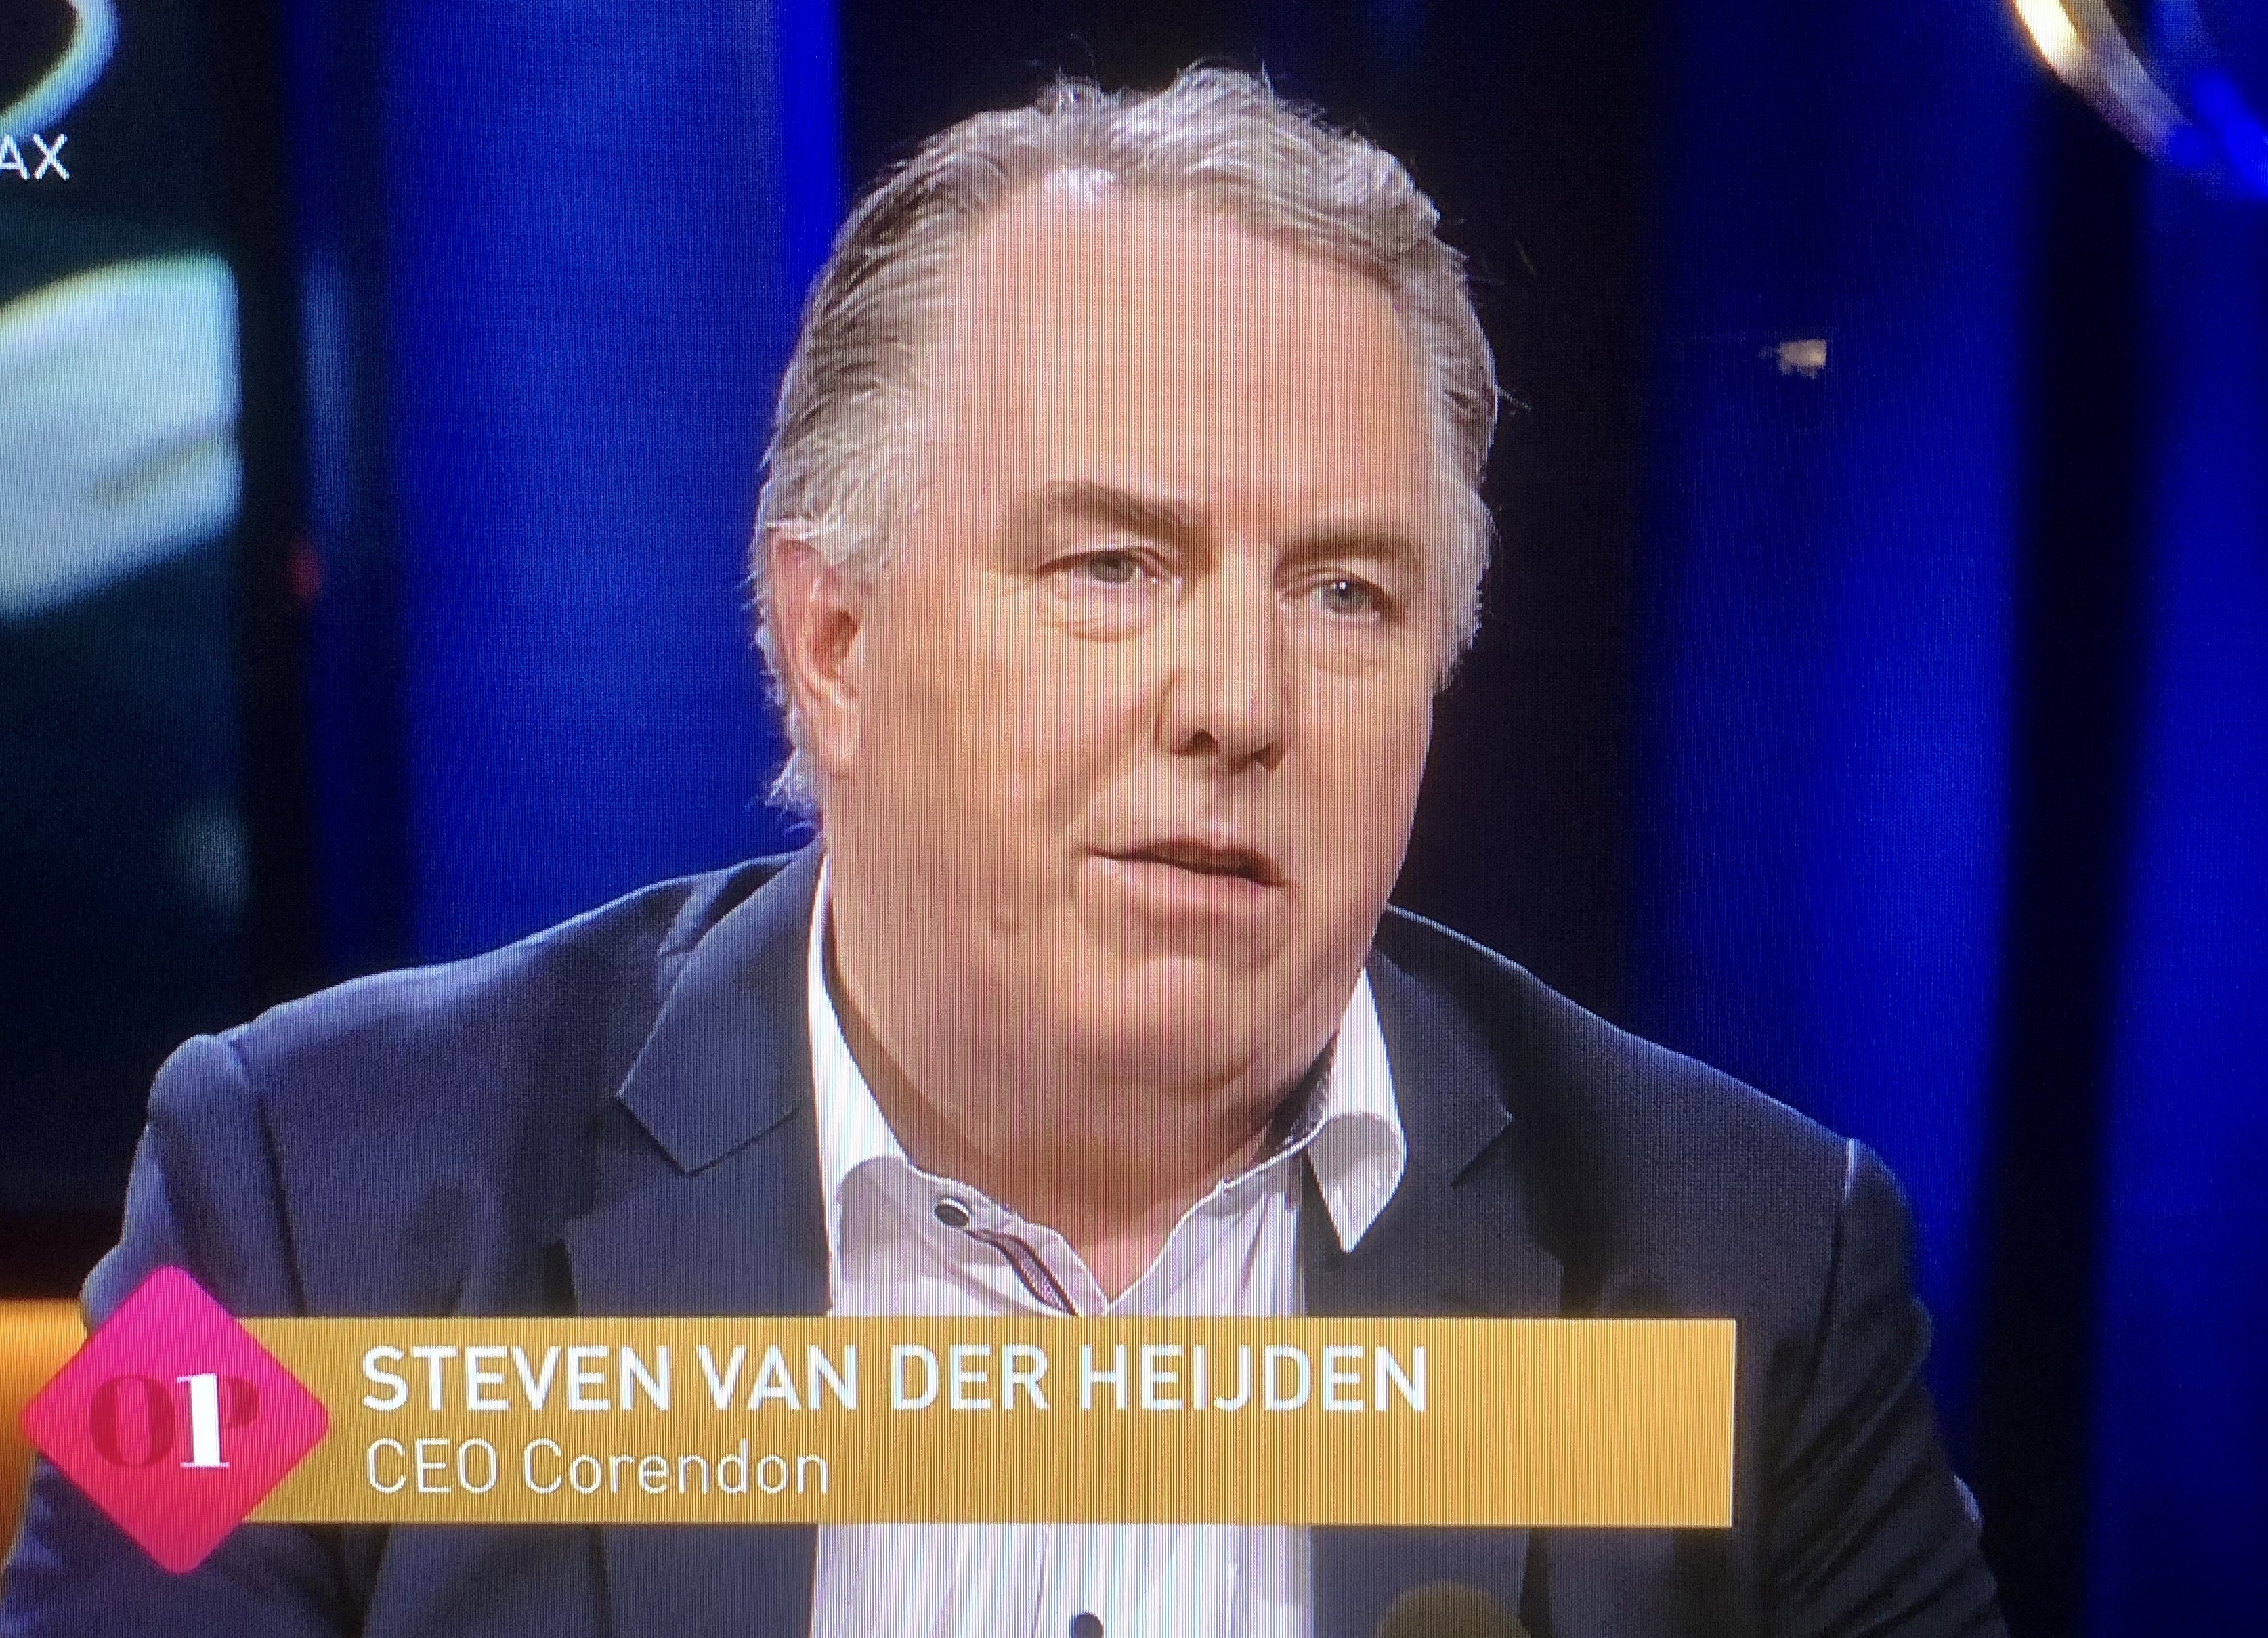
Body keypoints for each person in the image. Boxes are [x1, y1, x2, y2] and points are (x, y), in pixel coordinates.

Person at [0, 68, 2005, 1638]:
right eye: (1113, 564)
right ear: (835, 643)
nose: (1241, 702)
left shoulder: (1755, 1271)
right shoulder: (293, 1203)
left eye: (1347, 592)